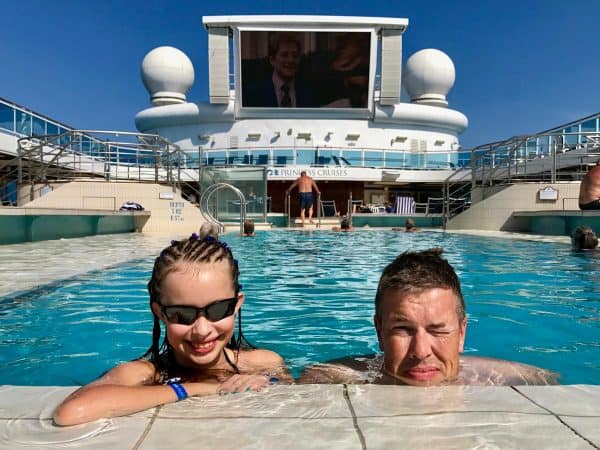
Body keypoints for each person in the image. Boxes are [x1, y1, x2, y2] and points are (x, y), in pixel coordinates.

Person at [53, 234, 290, 426]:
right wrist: (199, 388)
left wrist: (267, 382)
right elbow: (71, 412)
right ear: (160, 313)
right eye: (182, 314)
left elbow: (296, 401)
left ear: (236, 305)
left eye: (218, 310)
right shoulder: (144, 374)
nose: (202, 330)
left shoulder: (264, 362)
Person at [299, 248, 558, 386]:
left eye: (438, 330)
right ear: (379, 332)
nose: (421, 351)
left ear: (462, 332)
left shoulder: (524, 379)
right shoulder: (328, 378)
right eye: (403, 329)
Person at [243, 32, 315, 108]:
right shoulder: (253, 93)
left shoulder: (308, 93)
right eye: (284, 55)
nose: (291, 60)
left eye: (295, 55)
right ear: (272, 60)